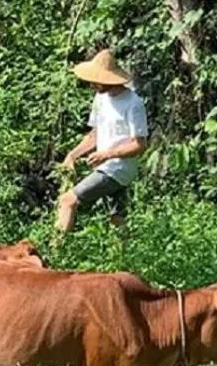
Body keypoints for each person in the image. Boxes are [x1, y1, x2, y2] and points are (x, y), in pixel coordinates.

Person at [57, 49, 149, 234]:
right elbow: (94, 135)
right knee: (118, 219)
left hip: (117, 169)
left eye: (96, 80)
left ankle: (54, 251)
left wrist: (106, 155)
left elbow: (140, 144)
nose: (92, 84)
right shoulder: (100, 98)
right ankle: (122, 257)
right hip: (105, 165)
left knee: (67, 201)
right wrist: (72, 155)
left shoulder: (133, 103)